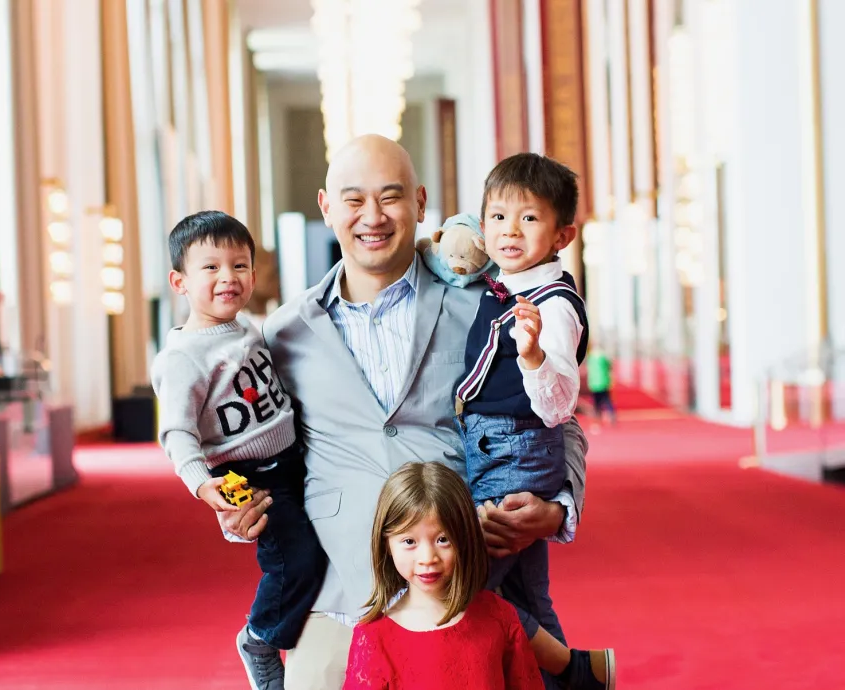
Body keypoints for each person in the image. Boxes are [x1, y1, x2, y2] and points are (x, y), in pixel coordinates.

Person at [220, 135, 591, 690]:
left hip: (467, 584)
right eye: (353, 200)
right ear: (326, 207)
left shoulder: (482, 306)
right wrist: (234, 509)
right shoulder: (285, 333)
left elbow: (559, 419)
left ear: (420, 204)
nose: (372, 217)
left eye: (390, 197)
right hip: (343, 596)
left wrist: (560, 508)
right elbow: (260, 449)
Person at [450, 154, 612, 688]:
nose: (509, 231)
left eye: (528, 218)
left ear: (562, 234)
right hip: (494, 448)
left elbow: (558, 406)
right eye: (496, 217)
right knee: (528, 596)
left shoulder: (554, 306)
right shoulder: (503, 281)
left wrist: (534, 356)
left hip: (516, 454)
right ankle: (579, 679)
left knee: (468, 590)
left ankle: (571, 669)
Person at [150, 211, 325, 690]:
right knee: (295, 559)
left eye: (240, 265)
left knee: (322, 547)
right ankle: (261, 638)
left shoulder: (245, 327)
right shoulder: (183, 357)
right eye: (211, 268)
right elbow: (178, 433)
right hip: (249, 474)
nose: (228, 277)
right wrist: (201, 484)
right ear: (179, 281)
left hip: (294, 458)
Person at [343, 461, 544, 689]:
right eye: (409, 541)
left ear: (465, 538)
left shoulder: (500, 616)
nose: (428, 557)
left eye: (443, 539)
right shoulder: (372, 637)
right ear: (386, 544)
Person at [585, 345, 616, 428]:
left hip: (594, 383)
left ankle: (597, 419)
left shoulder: (590, 358)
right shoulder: (603, 357)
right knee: (607, 400)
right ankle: (612, 416)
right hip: (604, 382)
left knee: (596, 403)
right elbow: (610, 367)